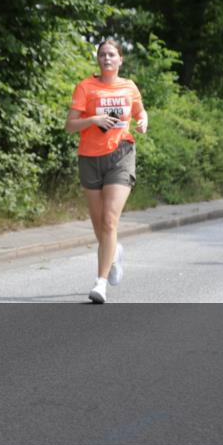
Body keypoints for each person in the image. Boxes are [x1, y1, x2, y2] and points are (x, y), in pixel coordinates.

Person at [65, 39, 148, 304]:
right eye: (102, 55)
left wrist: (143, 120)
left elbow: (139, 111)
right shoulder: (86, 87)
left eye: (112, 55)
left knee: (110, 220)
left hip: (121, 155)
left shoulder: (129, 87)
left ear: (120, 59)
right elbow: (70, 125)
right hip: (90, 158)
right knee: (99, 223)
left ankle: (100, 283)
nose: (107, 59)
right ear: (98, 59)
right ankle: (114, 253)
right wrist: (93, 120)